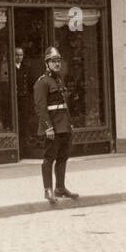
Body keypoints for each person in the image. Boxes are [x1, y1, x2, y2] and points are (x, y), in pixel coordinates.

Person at [35, 47, 77, 204]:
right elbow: (40, 107)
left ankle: (60, 187)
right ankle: (48, 190)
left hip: (64, 126)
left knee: (63, 157)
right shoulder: (42, 82)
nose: (57, 64)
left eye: (58, 60)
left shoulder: (59, 80)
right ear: (46, 63)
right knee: (49, 158)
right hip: (53, 127)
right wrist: (48, 127)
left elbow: (64, 105)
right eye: (53, 61)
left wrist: (70, 124)